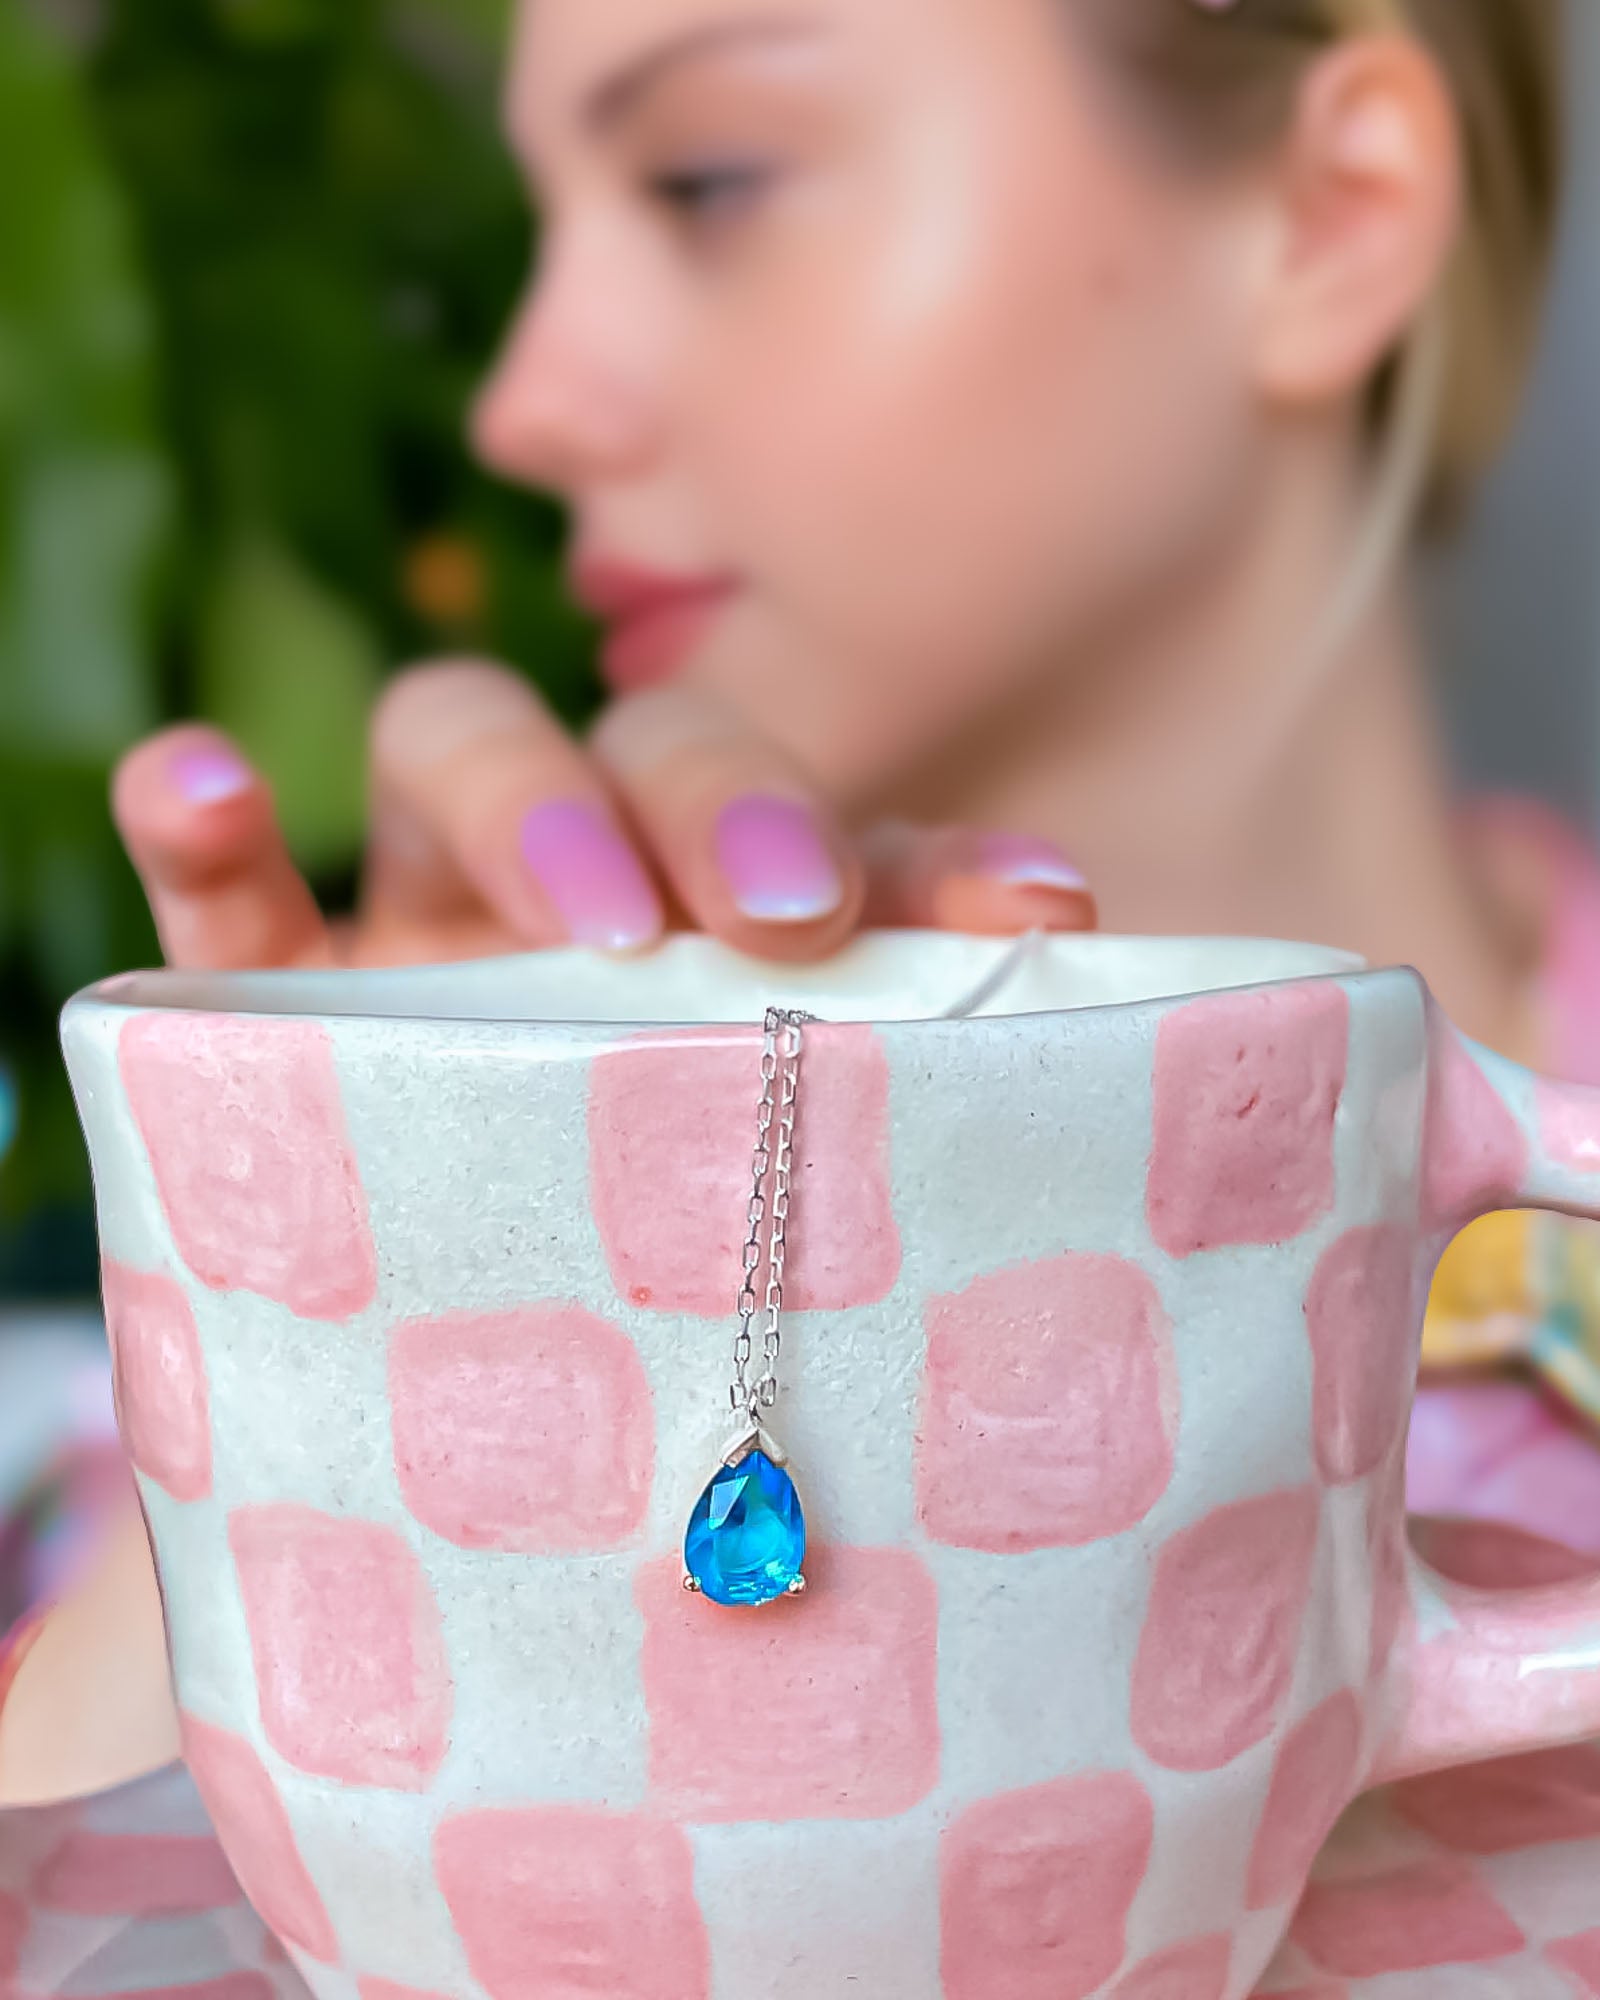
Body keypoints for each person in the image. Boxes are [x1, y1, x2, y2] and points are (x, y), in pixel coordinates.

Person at [7, 0, 1595, 1806]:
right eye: (550, 222)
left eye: (706, 180)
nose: (525, 406)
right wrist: (310, 1368)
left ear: (1329, 207)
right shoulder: (136, 1421)